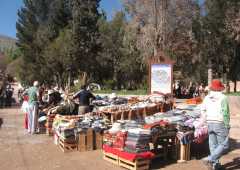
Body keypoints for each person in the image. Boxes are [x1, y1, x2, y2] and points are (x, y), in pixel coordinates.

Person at [201, 79, 230, 170]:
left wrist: (205, 120)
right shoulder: (223, 97)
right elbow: (225, 112)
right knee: (224, 145)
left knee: (213, 145)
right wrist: (227, 124)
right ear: (220, 87)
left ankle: (215, 165)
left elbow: (202, 110)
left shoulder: (207, 97)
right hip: (220, 123)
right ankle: (210, 159)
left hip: (210, 122)